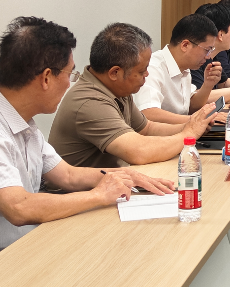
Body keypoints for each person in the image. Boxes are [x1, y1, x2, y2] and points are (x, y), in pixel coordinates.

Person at [0, 17, 174, 250]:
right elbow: (18, 208)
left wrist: (126, 177)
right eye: (70, 74)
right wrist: (98, 195)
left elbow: (67, 175)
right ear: (46, 78)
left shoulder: (25, 123)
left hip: (31, 241)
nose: (70, 83)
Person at [50, 23, 217, 168]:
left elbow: (146, 129)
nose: (147, 75)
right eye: (142, 71)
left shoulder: (117, 89)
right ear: (115, 73)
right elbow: (139, 151)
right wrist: (188, 134)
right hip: (80, 192)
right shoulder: (90, 101)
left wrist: (191, 126)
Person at [134, 14, 223, 124]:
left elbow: (190, 107)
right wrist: (197, 120)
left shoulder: (185, 68)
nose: (208, 56)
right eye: (207, 50)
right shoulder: (153, 68)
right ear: (185, 45)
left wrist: (208, 84)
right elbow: (148, 113)